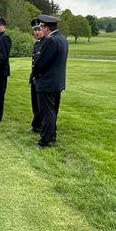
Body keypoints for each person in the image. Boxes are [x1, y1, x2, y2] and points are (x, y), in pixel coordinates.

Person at [29, 15, 68, 148]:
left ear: (46, 27)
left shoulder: (50, 41)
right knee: (53, 111)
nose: (41, 30)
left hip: (47, 82)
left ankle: (46, 140)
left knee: (47, 113)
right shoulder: (62, 39)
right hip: (57, 82)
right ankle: (52, 135)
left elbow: (41, 63)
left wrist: (35, 75)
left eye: (42, 27)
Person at [29, 23, 45, 134]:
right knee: (35, 103)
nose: (37, 32)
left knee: (41, 105)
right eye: (35, 30)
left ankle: (41, 126)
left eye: (39, 29)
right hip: (35, 78)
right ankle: (36, 125)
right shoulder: (37, 44)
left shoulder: (46, 43)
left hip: (41, 78)